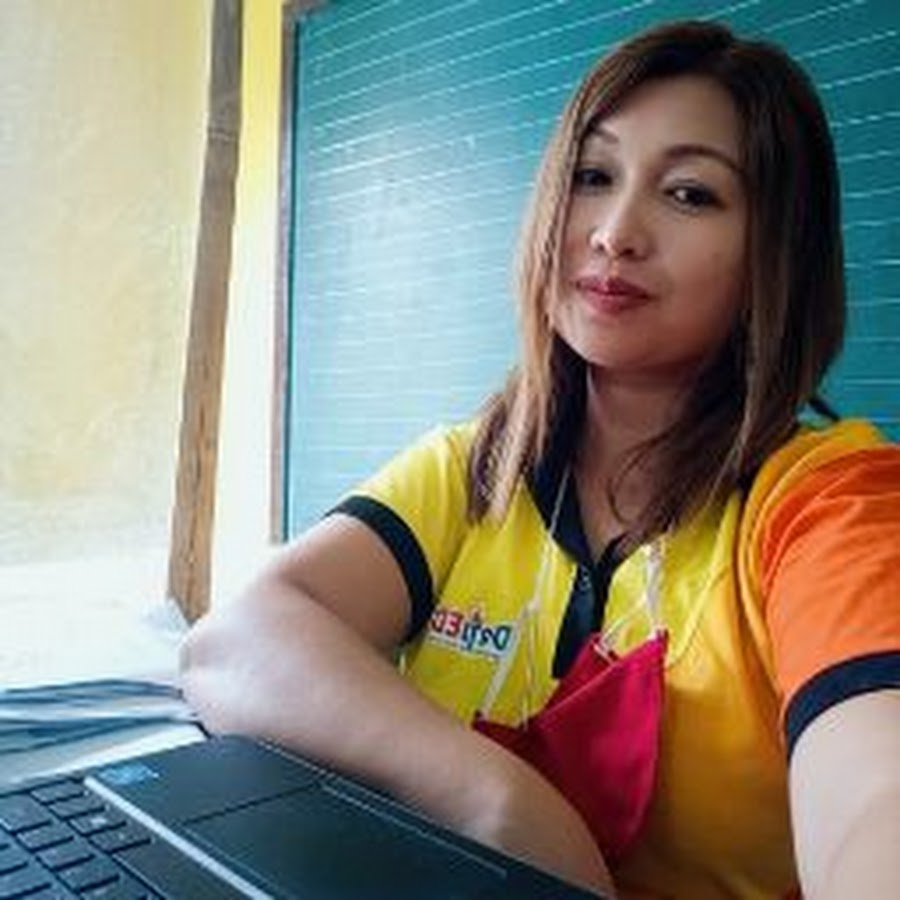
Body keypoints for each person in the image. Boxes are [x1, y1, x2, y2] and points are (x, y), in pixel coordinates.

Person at [180, 19, 900, 899]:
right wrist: (498, 801)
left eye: (690, 194)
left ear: (773, 255)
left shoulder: (828, 502)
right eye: (592, 177)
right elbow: (232, 646)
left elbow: (878, 799)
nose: (615, 233)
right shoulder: (472, 469)